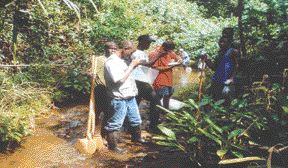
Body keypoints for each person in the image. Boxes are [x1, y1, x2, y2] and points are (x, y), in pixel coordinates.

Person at [104, 40, 145, 153]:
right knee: (115, 124)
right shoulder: (111, 62)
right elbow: (119, 79)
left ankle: (137, 139)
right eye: (130, 52)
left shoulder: (122, 60)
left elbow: (127, 73)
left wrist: (133, 66)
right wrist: (132, 65)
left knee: (136, 119)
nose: (131, 55)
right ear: (124, 49)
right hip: (119, 98)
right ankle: (113, 148)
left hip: (129, 96)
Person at [129, 35, 161, 133]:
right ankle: (150, 126)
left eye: (150, 43)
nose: (149, 44)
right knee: (153, 100)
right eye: (147, 42)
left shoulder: (142, 53)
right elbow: (145, 64)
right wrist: (158, 57)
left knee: (137, 102)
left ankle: (134, 127)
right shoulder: (135, 53)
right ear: (141, 42)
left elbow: (146, 68)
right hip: (136, 81)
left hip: (142, 80)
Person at [93, 41, 118, 138]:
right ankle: (94, 130)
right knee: (98, 111)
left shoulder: (116, 60)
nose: (113, 50)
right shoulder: (99, 59)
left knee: (108, 112)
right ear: (105, 49)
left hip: (111, 90)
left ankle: (103, 134)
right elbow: (91, 71)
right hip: (100, 88)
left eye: (115, 49)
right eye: (111, 48)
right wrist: (90, 75)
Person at [149, 41, 182, 109]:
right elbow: (155, 68)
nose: (169, 52)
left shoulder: (169, 52)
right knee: (158, 96)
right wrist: (168, 67)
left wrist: (179, 60)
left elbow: (176, 56)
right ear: (163, 47)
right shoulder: (154, 53)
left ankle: (166, 111)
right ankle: (155, 112)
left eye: (170, 50)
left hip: (169, 78)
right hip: (159, 79)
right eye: (168, 50)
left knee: (168, 95)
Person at [205, 36, 239, 102]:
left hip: (226, 82)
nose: (221, 43)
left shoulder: (232, 51)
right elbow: (214, 67)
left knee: (225, 100)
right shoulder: (219, 54)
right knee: (214, 99)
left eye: (224, 42)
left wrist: (232, 78)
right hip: (216, 80)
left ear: (228, 43)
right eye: (220, 41)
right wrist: (206, 60)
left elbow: (237, 65)